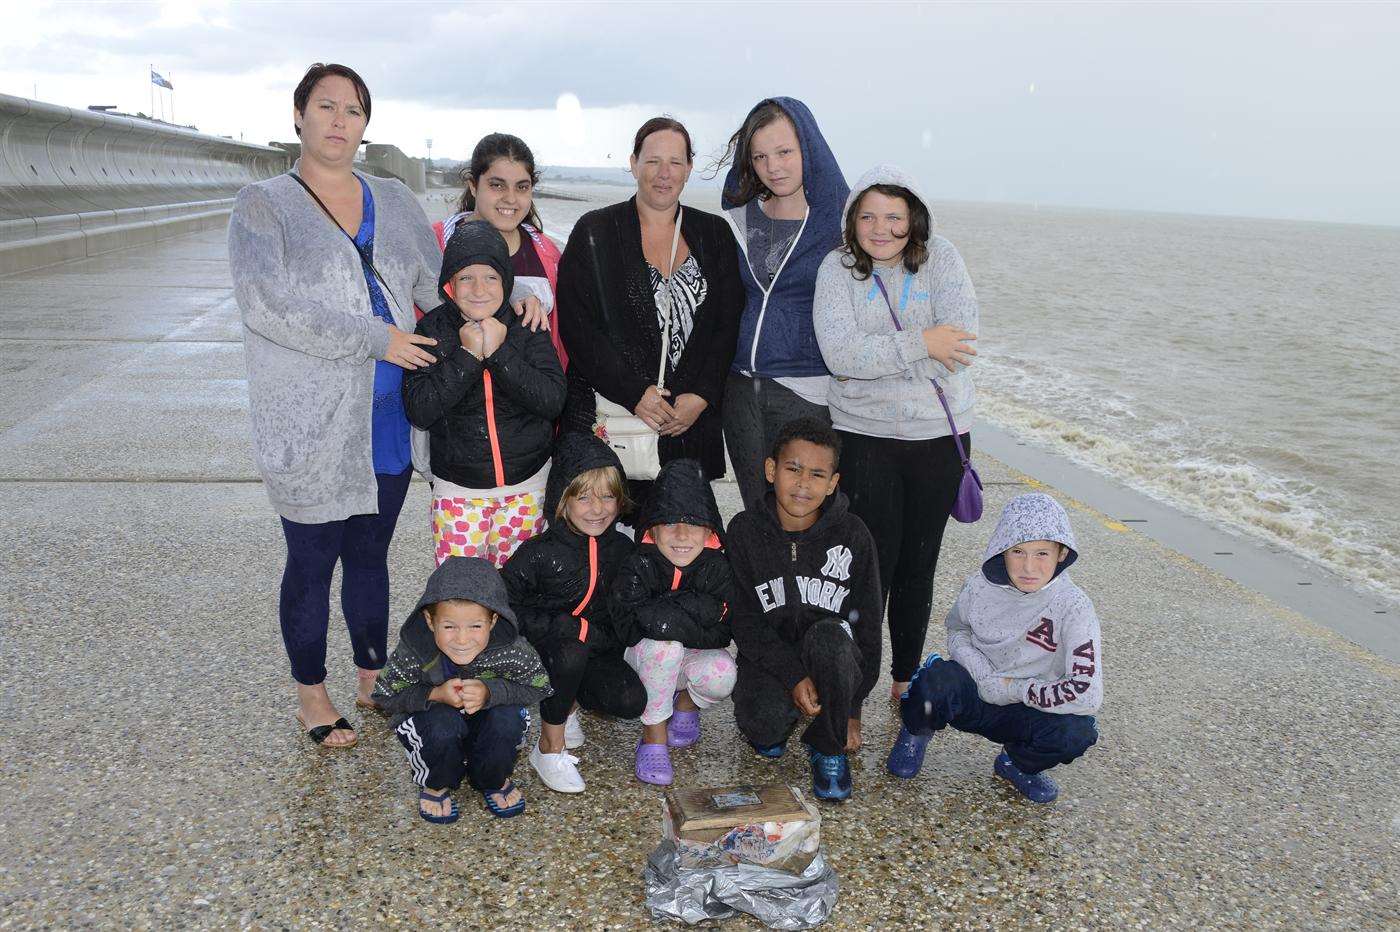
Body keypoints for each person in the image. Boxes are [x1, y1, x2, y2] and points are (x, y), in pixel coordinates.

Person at [228, 62, 441, 749]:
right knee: (313, 558)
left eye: (352, 110)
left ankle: (372, 677)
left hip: (387, 420)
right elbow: (267, 307)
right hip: (310, 425)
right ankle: (310, 694)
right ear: (298, 116)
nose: (338, 121)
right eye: (325, 106)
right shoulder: (263, 204)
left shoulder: (396, 198)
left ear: (365, 124)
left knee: (372, 553)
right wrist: (377, 338)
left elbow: (439, 287)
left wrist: (519, 293)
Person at [812, 164, 979, 702]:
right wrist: (919, 342)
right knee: (868, 569)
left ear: (914, 219)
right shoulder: (837, 269)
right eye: (868, 216)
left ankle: (905, 681)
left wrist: (884, 354)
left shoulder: (944, 259)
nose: (880, 229)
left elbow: (957, 348)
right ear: (851, 219)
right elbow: (839, 355)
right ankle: (854, 689)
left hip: (937, 439)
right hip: (863, 438)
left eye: (894, 217)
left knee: (918, 565)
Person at [557, 117, 744, 501]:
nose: (664, 173)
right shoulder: (596, 231)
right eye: (653, 160)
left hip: (690, 427)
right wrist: (635, 393)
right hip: (614, 423)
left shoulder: (715, 233)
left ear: (689, 168)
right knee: (610, 535)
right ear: (633, 163)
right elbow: (578, 327)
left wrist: (702, 396)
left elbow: (727, 323)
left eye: (675, 162)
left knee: (683, 539)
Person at [890, 493, 1102, 804]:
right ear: (1001, 550)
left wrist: (1012, 689)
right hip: (977, 688)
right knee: (935, 682)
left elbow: (1088, 692)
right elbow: (957, 630)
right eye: (1018, 551)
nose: (1029, 566)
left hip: (1030, 704)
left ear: (1062, 553)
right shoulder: (978, 586)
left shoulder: (1075, 607)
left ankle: (1015, 763)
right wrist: (985, 676)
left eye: (1042, 553)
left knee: (1078, 732)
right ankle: (916, 731)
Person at [727, 418, 882, 802]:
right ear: (770, 470)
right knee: (764, 733)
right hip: (771, 657)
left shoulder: (854, 534)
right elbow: (744, 621)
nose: (802, 484)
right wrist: (793, 676)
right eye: (792, 469)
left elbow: (869, 627)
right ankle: (792, 712)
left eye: (816, 474)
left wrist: (852, 709)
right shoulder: (745, 530)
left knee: (832, 637)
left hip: (832, 651)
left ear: (832, 483)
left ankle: (826, 747)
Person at [403, 220, 565, 568]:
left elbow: (552, 399)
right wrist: (468, 356)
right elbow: (420, 409)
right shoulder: (431, 330)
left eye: (490, 277)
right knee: (462, 595)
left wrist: (499, 353)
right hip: (459, 492)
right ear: (450, 283)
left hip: (527, 488)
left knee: (518, 593)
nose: (479, 288)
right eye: (466, 278)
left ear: (506, 282)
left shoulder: (526, 323)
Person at [717, 98, 850, 510]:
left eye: (784, 152)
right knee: (758, 511)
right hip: (740, 392)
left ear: (808, 148)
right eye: (760, 156)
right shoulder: (741, 218)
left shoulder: (842, 223)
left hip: (807, 392)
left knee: (807, 516)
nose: (773, 166)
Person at [501, 433, 647, 793]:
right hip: (541, 650)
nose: (597, 509)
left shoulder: (622, 550)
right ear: (562, 500)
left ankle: (567, 705)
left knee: (630, 701)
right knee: (569, 651)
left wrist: (598, 636)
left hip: (590, 648)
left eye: (608, 496)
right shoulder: (537, 551)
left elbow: (626, 616)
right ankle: (549, 747)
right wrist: (565, 626)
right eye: (583, 497)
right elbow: (503, 608)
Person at [372, 556, 551, 822]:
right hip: (436, 719)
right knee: (441, 725)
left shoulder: (513, 650)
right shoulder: (414, 650)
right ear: (430, 621)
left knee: (509, 720)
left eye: (476, 626)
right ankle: (436, 782)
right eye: (449, 626)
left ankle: (491, 777)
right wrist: (434, 694)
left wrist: (492, 692)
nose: (463, 639)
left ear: (493, 620)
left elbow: (539, 686)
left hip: (488, 719)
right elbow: (384, 696)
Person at [611, 459, 737, 786]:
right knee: (663, 647)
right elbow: (628, 626)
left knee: (723, 673)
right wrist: (698, 610)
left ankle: (685, 703)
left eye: (694, 524)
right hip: (642, 657)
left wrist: (665, 610)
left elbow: (724, 630)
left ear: (710, 529)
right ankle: (653, 735)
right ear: (651, 528)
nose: (682, 535)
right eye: (669, 524)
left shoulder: (719, 567)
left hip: (688, 654)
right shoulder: (637, 563)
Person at [432, 133, 564, 363]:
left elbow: (559, 344)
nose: (511, 199)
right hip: (451, 390)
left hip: (531, 393)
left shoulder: (549, 255)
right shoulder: (434, 243)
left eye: (522, 187)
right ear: (473, 186)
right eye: (497, 185)